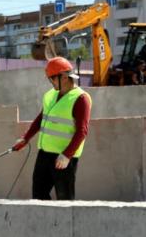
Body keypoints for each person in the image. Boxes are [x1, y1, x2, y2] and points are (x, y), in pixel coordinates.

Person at [13, 57, 91, 200]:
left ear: (64, 77)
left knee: (65, 199)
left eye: (52, 79)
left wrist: (67, 155)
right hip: (44, 154)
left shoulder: (81, 99)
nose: (51, 82)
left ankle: (65, 223)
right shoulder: (50, 95)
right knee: (38, 196)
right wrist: (26, 138)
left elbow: (82, 131)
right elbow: (41, 118)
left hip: (63, 158)